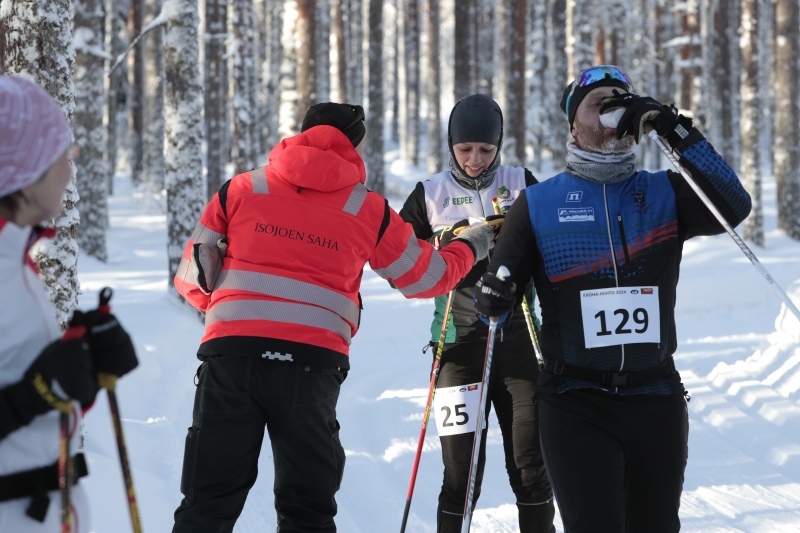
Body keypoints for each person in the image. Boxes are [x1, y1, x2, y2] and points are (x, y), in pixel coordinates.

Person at [171, 102, 496, 533]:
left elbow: (191, 279)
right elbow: (426, 278)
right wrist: (471, 245)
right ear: (355, 144)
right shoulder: (368, 209)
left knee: (206, 503)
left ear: (300, 134)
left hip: (231, 360)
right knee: (308, 510)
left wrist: (235, 317)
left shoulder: (240, 190)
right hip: (311, 367)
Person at [474, 65, 752, 533]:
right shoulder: (540, 204)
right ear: (573, 124)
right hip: (575, 400)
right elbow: (496, 299)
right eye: (597, 102)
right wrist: (493, 294)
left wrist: (673, 126)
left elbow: (734, 205)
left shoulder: (664, 192)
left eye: (620, 98)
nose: (612, 108)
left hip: (655, 397)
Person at [399, 94, 555, 533]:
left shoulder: (522, 182)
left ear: (499, 144)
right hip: (458, 346)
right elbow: (400, 267)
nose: (474, 160)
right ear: (451, 145)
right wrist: (443, 244)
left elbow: (552, 254)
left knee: (530, 466)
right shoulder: (428, 195)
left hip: (520, 344)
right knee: (462, 476)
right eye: (465, 150)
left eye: (486, 150)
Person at [0, 75, 138, 532]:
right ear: (25, 170)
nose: (70, 169)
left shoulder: (18, 262)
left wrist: (84, 369)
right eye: (63, 155)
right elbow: (27, 397)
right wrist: (35, 393)